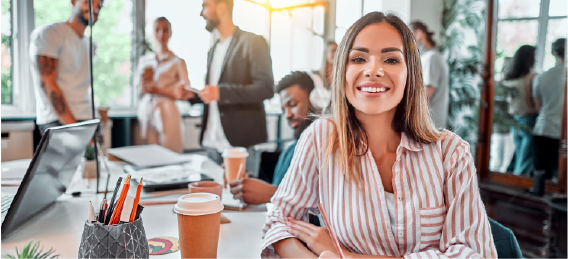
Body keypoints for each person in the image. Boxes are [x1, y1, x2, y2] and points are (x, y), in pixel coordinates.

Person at [261, 12, 496, 259]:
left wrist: (350, 258)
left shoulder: (451, 152)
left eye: (391, 60)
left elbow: (475, 254)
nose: (373, 70)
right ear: (343, 71)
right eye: (359, 58)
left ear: (410, 73)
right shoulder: (322, 137)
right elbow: (278, 222)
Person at [187, 0, 274, 175]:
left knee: (242, 201)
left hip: (241, 143)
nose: (201, 13)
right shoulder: (213, 50)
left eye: (205, 6)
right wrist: (191, 95)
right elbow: (213, 93)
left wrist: (221, 92)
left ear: (221, 7)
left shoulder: (253, 42)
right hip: (211, 141)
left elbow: (265, 88)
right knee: (213, 201)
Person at [229, 71, 319, 205]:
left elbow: (326, 209)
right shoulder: (289, 151)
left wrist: (272, 193)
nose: (287, 115)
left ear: (315, 100)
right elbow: (278, 187)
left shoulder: (325, 150)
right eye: (283, 110)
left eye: (293, 105)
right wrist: (257, 186)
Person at [30, 0, 106, 135]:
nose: (94, 8)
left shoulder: (90, 45)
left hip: (89, 120)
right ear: (73, 1)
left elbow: (81, 84)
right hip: (60, 122)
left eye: (98, 5)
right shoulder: (50, 34)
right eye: (89, 2)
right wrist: (74, 127)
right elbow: (48, 83)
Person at [135, 17, 193, 153]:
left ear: (170, 33)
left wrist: (158, 90)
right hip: (148, 112)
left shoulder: (178, 62)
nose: (161, 34)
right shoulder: (145, 61)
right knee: (150, 156)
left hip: (168, 112)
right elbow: (138, 90)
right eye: (158, 30)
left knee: (170, 154)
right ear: (153, 33)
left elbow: (186, 93)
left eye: (165, 30)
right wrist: (144, 87)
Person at [502, 45, 539, 176]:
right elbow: (535, 101)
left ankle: (516, 183)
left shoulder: (510, 77)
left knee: (520, 156)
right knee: (524, 159)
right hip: (529, 119)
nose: (536, 59)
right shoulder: (532, 77)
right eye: (534, 56)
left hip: (516, 119)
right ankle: (519, 185)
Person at [532, 38, 566, 179]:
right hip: (564, 132)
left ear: (553, 53)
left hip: (544, 128)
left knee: (541, 177)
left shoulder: (541, 77)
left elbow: (538, 107)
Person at [409, 21, 449, 128]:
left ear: (418, 34)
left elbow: (426, 95)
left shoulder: (432, 58)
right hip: (429, 122)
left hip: (430, 124)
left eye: (409, 36)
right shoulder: (428, 57)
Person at [310, 42, 337, 111]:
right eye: (333, 50)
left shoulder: (341, 75)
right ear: (326, 53)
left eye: (338, 50)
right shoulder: (316, 75)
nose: (336, 53)